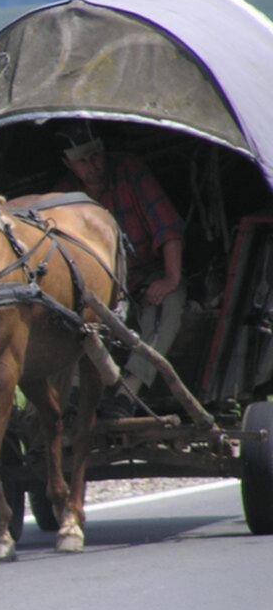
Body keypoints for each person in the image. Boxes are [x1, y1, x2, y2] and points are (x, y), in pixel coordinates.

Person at [54, 121, 186, 417]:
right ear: (69, 164)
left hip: (143, 276)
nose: (92, 166)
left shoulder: (129, 171)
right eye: (82, 161)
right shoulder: (64, 195)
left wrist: (171, 277)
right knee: (65, 317)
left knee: (171, 302)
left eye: (95, 156)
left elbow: (167, 226)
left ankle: (128, 392)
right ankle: (73, 392)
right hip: (96, 290)